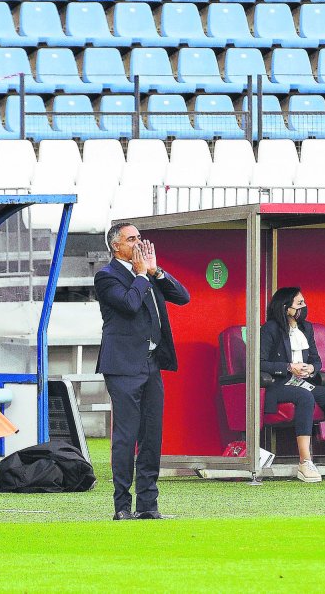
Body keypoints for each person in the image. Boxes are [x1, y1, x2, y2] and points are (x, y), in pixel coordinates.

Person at [95, 222, 190, 521]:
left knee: (152, 435)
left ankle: (148, 505)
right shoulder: (107, 276)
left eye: (140, 238)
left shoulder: (148, 274)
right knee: (126, 435)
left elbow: (183, 297)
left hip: (151, 364)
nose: (138, 244)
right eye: (131, 239)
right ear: (116, 246)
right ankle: (122, 506)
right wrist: (140, 275)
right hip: (122, 365)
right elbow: (130, 304)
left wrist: (156, 272)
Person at [259, 287, 325, 483]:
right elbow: (260, 363)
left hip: (302, 381)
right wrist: (289, 367)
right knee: (304, 397)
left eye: (303, 303)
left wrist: (311, 369)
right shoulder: (270, 329)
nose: (303, 307)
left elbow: (316, 359)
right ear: (285, 307)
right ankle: (305, 462)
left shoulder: (307, 328)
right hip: (277, 385)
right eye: (299, 304)